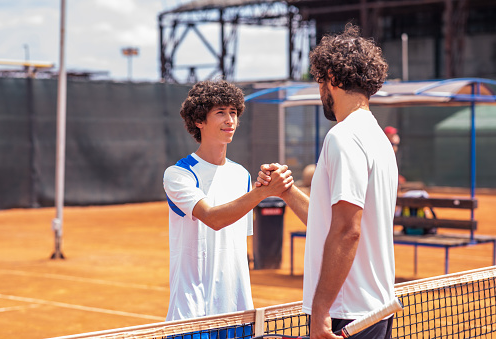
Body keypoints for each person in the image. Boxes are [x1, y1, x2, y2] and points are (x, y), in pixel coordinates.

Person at [257, 24, 398, 339]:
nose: (318, 88)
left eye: (319, 80)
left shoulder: (343, 138)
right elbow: (332, 221)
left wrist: (320, 312)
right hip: (375, 311)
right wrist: (288, 192)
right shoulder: (378, 139)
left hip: (346, 315)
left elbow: (348, 230)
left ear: (331, 79)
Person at [163, 79, 293, 321]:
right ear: (198, 121)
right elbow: (213, 218)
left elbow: (235, 244)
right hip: (192, 312)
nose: (230, 120)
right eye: (220, 113)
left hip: (237, 312)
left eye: (233, 112)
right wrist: (263, 192)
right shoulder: (178, 174)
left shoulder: (241, 174)